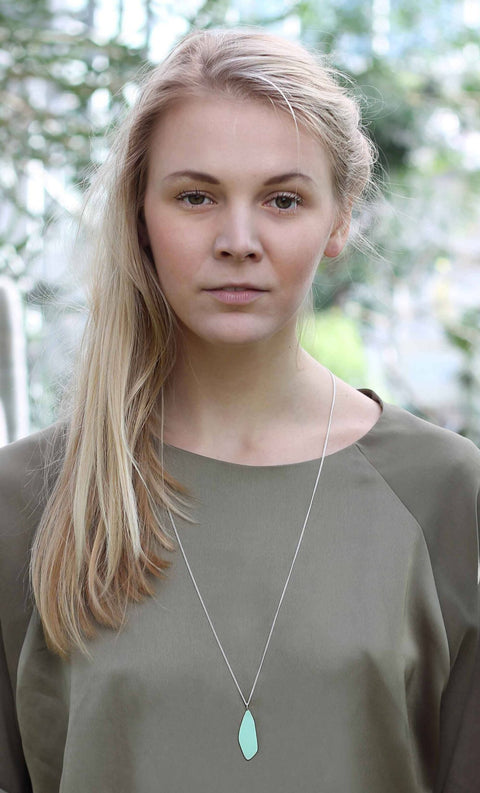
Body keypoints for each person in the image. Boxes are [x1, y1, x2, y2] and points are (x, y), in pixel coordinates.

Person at [0, 26, 478, 793]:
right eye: (196, 196)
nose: (238, 240)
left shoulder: (446, 490)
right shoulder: (28, 497)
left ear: (340, 218)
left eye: (283, 199)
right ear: (139, 215)